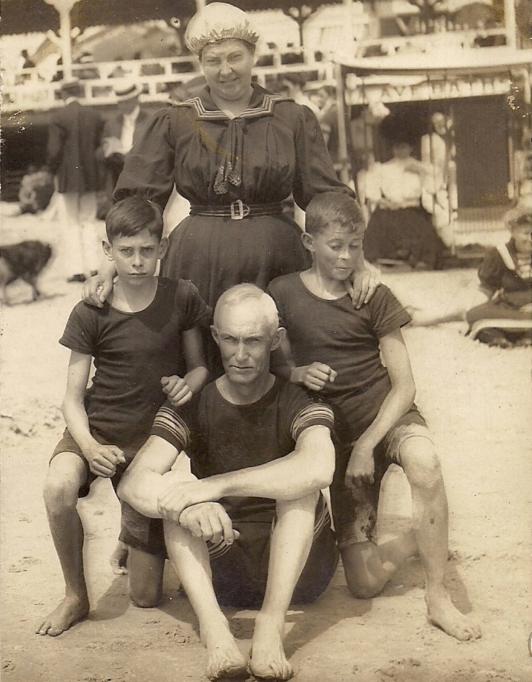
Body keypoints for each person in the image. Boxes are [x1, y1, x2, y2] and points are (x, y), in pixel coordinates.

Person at [84, 2, 377, 372]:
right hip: (198, 261)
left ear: (253, 55)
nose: (225, 71)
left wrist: (359, 263)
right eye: (213, 60)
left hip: (279, 259)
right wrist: (109, 265)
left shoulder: (291, 117)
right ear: (200, 63)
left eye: (235, 57)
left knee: (284, 356)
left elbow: (326, 197)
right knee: (201, 358)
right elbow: (139, 200)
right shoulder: (176, 120)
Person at [268, 192, 482, 642]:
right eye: (335, 246)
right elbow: (274, 366)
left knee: (426, 463)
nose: (346, 257)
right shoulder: (283, 292)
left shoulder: (373, 294)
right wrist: (298, 370)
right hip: (337, 437)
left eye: (355, 245)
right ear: (309, 242)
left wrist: (368, 443)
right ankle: (415, 541)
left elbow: (404, 385)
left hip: (386, 419)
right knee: (363, 585)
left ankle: (437, 597)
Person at [118, 284, 339, 681]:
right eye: (231, 340)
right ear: (216, 337)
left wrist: (215, 487)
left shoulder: (299, 400)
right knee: (175, 498)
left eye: (254, 341)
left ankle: (271, 627)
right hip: (224, 566)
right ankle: (215, 631)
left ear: (276, 340)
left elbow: (320, 467)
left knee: (301, 489)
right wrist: (192, 504)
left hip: (299, 571)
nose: (240, 355)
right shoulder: (194, 403)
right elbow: (134, 482)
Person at [36, 196, 210, 638]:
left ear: (162, 247)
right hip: (97, 430)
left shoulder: (181, 296)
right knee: (57, 486)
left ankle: (131, 532)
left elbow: (200, 366)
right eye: (126, 251)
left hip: (149, 445)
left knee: (146, 595)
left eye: (146, 250)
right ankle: (76, 594)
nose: (137, 261)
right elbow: (72, 399)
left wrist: (187, 384)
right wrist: (90, 447)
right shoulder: (91, 309)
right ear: (108, 250)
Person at [411, 204, 532, 347]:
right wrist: (472, 307)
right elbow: (487, 289)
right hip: (509, 309)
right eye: (526, 233)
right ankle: (510, 337)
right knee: (475, 314)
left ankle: (517, 335)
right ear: (513, 231)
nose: (531, 239)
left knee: (484, 323)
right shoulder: (499, 254)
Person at [363, 114, 445, 269]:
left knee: (422, 230)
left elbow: (433, 187)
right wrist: (384, 201)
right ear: (393, 148)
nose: (401, 151)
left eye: (404, 147)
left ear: (411, 148)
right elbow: (372, 191)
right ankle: (383, 259)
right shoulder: (383, 168)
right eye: (397, 147)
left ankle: (419, 260)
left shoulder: (419, 167)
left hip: (411, 209)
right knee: (378, 226)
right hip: (389, 209)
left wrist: (421, 170)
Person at [46, 78, 104, 282]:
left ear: (63, 95)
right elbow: (98, 146)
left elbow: (54, 152)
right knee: (89, 220)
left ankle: (76, 270)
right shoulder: (95, 116)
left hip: (67, 178)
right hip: (89, 176)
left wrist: (50, 171)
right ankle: (94, 266)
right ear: (79, 92)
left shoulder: (58, 117)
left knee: (70, 222)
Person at [101, 83, 150, 191]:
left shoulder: (149, 120)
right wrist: (106, 149)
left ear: (136, 99)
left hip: (142, 174)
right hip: (118, 174)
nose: (122, 106)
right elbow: (101, 152)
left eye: (126, 102)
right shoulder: (112, 123)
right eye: (120, 102)